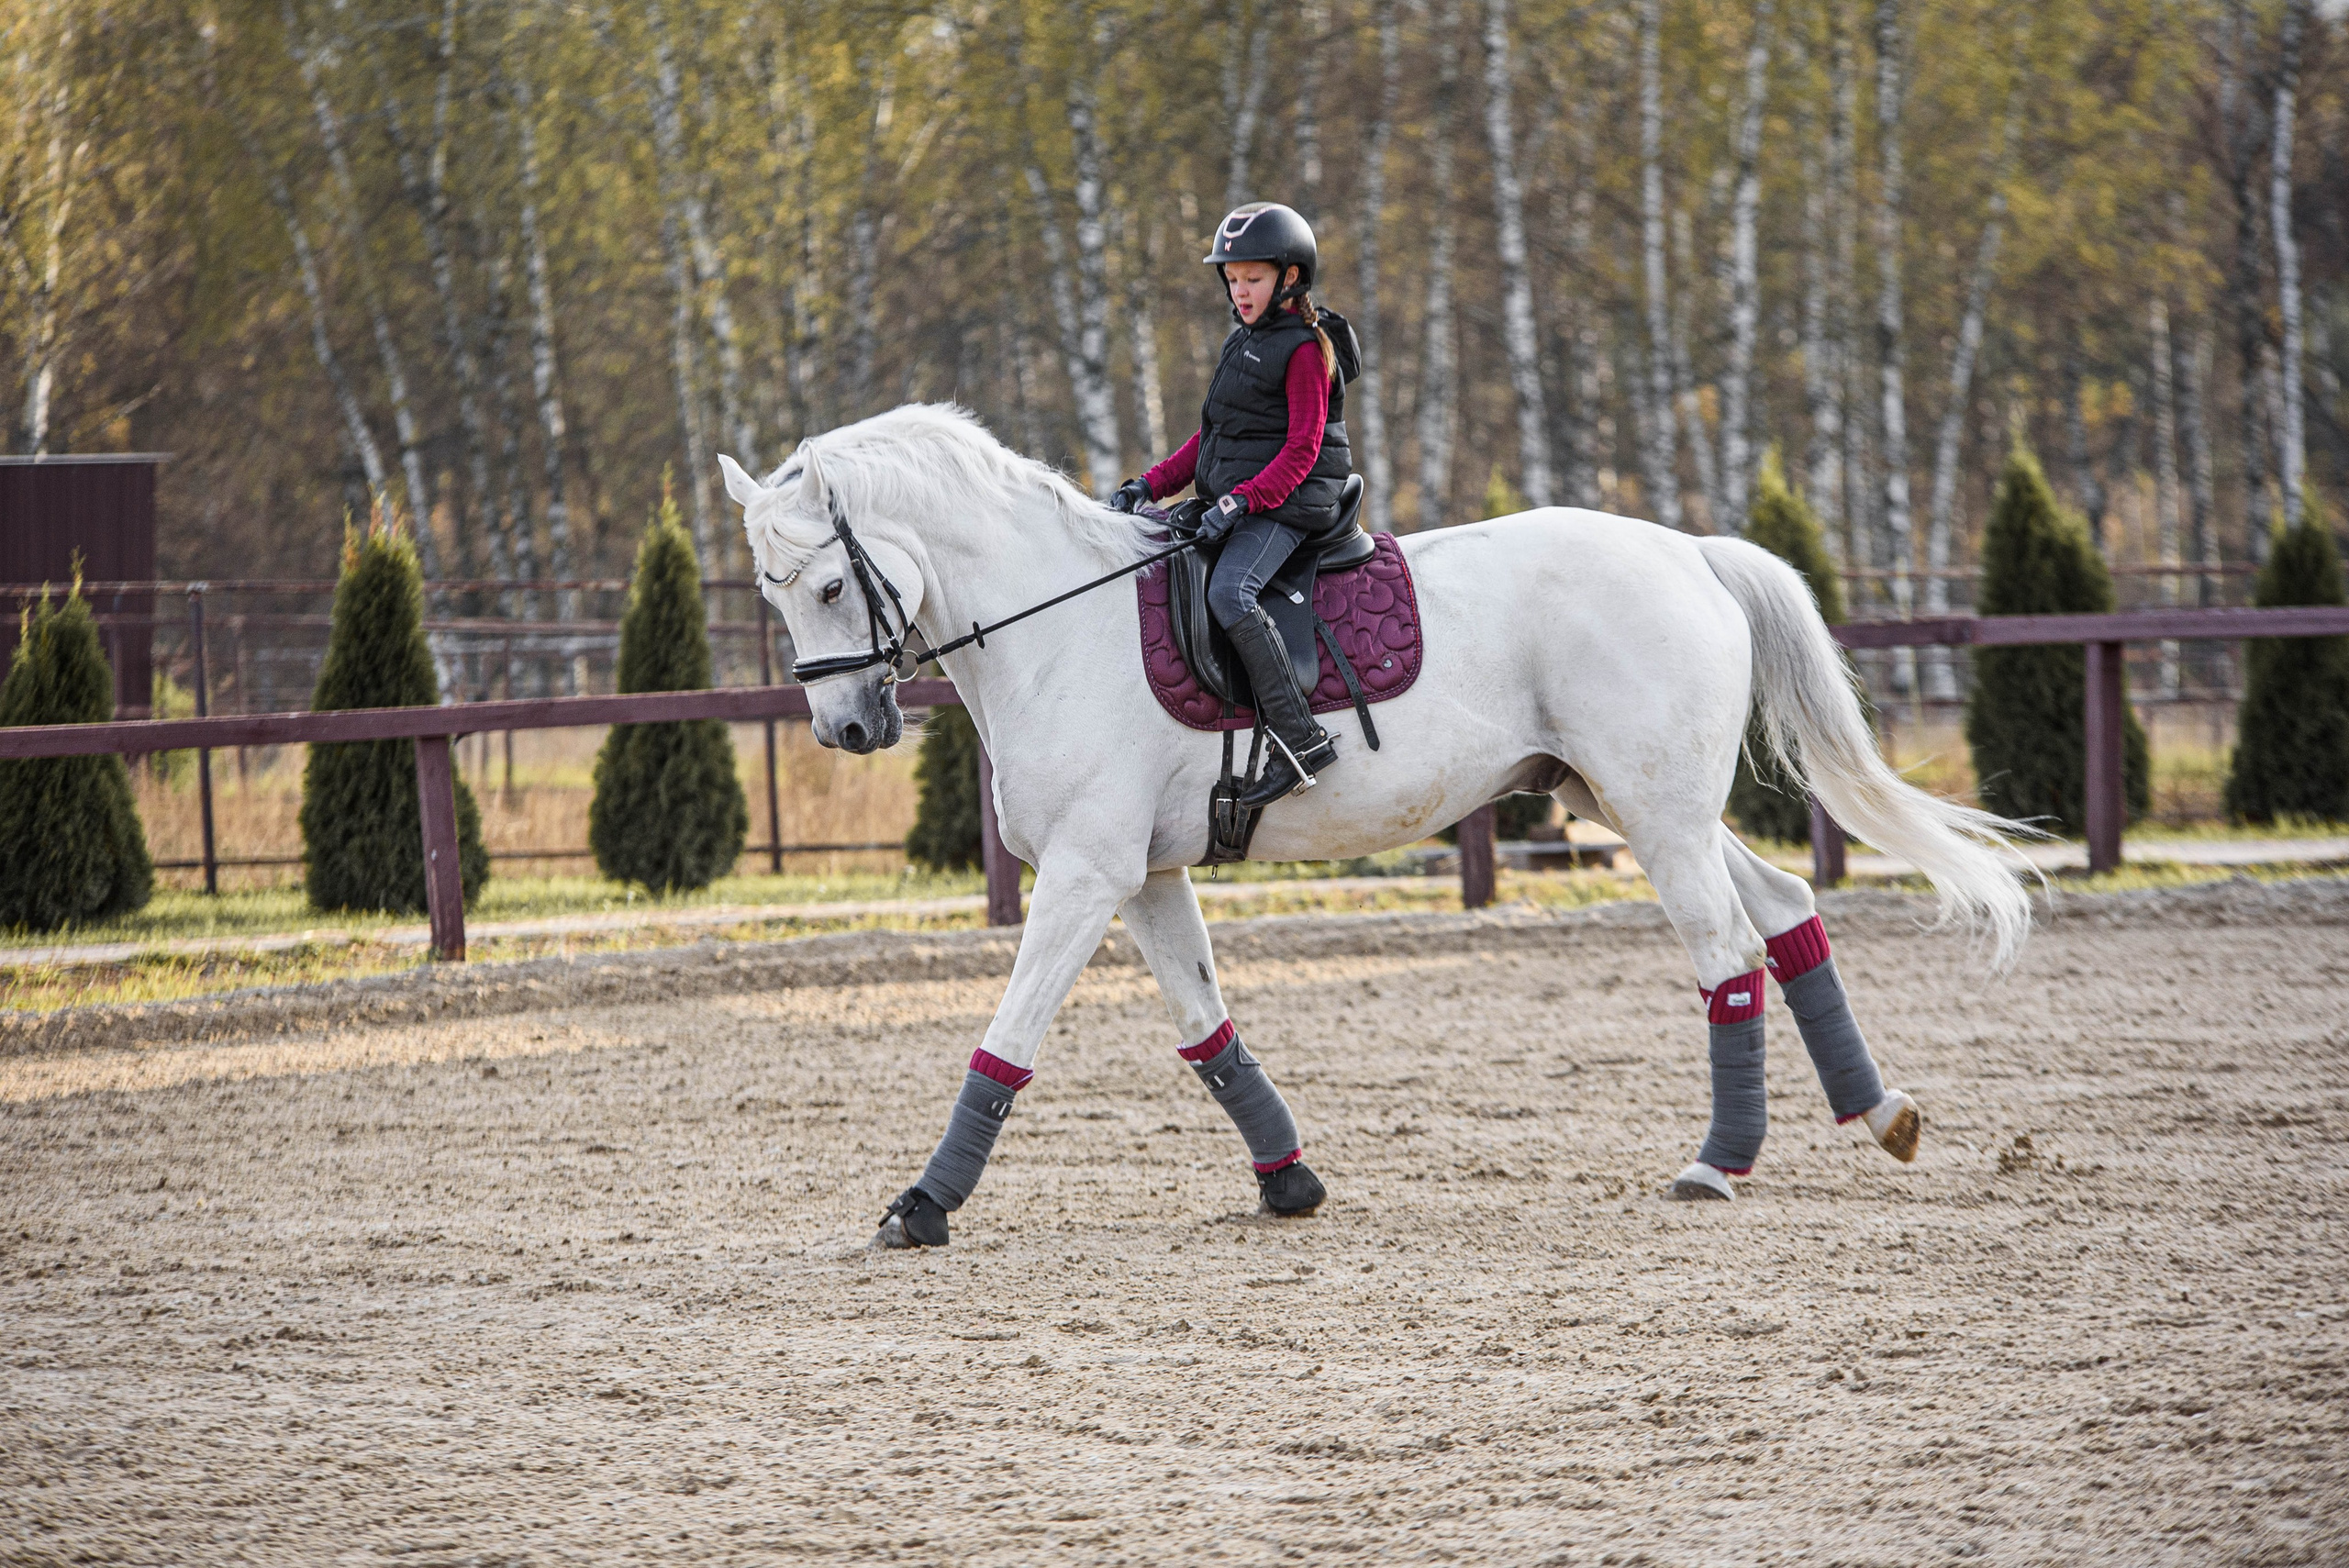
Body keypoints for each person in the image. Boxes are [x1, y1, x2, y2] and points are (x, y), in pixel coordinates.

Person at [1110, 201, 1363, 808]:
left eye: (1252, 278)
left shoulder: (1305, 350)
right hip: (1250, 498)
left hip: (1292, 502)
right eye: (1232, 279)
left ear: (1290, 277)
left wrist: (1242, 502)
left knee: (1230, 591)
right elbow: (1213, 436)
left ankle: (1300, 740)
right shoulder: (1244, 341)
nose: (1240, 291)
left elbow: (1302, 450)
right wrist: (1149, 485)